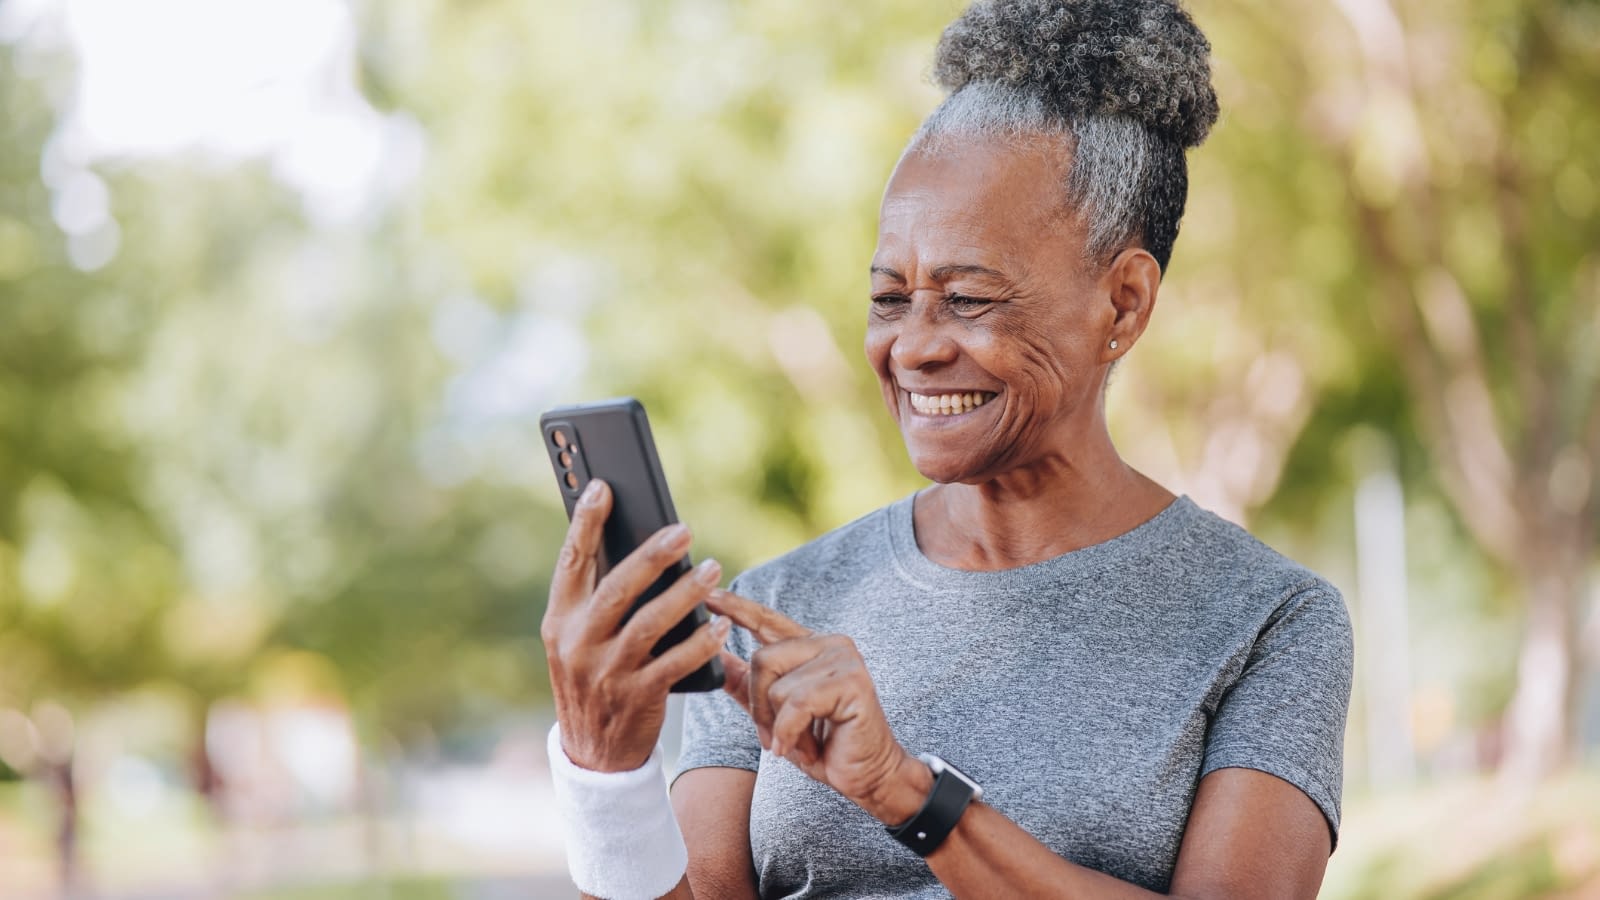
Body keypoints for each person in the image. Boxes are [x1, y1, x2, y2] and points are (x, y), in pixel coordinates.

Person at [540, 0, 1354, 897]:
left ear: (1122, 303)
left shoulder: (1268, 620)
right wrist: (603, 770)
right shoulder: (779, 607)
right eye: (890, 298)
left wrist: (905, 793)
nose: (914, 345)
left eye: (967, 299)